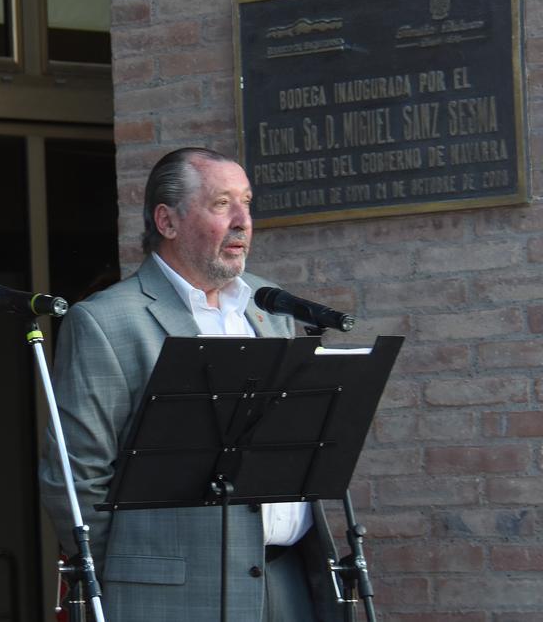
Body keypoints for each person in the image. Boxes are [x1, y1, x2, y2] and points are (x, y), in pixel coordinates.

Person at [39, 148, 342, 621]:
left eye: (246, 202)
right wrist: (131, 571)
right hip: (171, 596)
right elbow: (75, 478)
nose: (243, 221)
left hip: (291, 581)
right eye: (222, 204)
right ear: (168, 220)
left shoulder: (270, 309)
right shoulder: (106, 322)